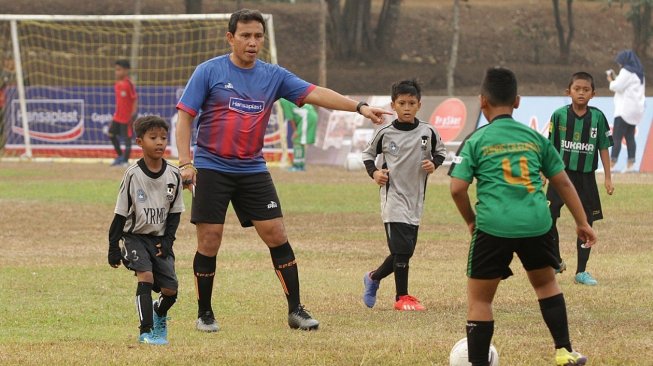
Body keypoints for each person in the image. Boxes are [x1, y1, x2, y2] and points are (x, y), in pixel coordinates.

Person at [175, 9, 390, 332]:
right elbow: (185, 116)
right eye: (245, 36)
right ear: (230, 38)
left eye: (258, 36)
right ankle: (205, 313)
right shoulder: (209, 71)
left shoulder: (273, 75)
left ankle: (296, 310)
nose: (252, 42)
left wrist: (359, 107)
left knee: (277, 235)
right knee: (210, 240)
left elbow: (316, 93)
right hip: (211, 167)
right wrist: (185, 162)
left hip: (252, 169)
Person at [449, 67, 595, 366]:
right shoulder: (535, 138)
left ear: (482, 101)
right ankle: (564, 351)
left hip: (493, 226)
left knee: (480, 301)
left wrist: (471, 220)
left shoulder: (476, 140)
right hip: (535, 224)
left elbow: (457, 189)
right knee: (545, 285)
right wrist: (582, 222)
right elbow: (563, 182)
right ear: (517, 101)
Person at [360, 79, 446, 311]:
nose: (406, 107)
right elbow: (367, 155)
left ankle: (373, 278)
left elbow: (441, 152)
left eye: (411, 103)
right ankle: (402, 297)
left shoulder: (428, 132)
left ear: (419, 105)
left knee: (404, 253)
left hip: (415, 199)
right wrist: (375, 173)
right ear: (393, 105)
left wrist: (434, 164)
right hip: (393, 198)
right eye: (402, 103)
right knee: (402, 251)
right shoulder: (385, 133)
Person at [107, 116, 184, 345]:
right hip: (134, 237)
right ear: (140, 142)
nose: (159, 142)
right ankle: (146, 331)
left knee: (170, 290)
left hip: (160, 239)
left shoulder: (174, 174)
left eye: (163, 137)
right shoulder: (132, 174)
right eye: (153, 138)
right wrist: (113, 247)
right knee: (146, 278)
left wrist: (168, 241)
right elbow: (120, 214)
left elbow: (175, 212)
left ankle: (159, 312)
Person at [547, 72, 614, 286]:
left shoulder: (597, 117)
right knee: (548, 218)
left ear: (593, 94)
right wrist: (543, 173)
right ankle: (556, 261)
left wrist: (608, 178)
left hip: (586, 178)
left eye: (586, 90)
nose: (581, 93)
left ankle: (581, 272)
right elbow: (550, 147)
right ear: (569, 92)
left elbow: (603, 147)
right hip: (560, 175)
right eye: (577, 89)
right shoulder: (558, 116)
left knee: (586, 223)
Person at [607, 50, 645, 173]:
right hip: (635, 111)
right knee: (630, 137)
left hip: (624, 109)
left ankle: (611, 165)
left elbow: (617, 86)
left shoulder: (626, 71)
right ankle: (630, 165)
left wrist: (611, 80)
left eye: (620, 63)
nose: (620, 65)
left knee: (617, 137)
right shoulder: (640, 74)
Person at [109, 59, 138, 167]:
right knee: (111, 134)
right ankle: (120, 156)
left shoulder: (128, 84)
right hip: (117, 116)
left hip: (127, 117)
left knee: (127, 138)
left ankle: (125, 161)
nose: (116, 72)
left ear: (126, 71)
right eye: (116, 70)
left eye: (119, 70)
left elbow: (134, 99)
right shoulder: (117, 84)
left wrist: (133, 114)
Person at [280, 98, 318, 172]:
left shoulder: (283, 100)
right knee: (300, 142)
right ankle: (300, 165)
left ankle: (297, 166)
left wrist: (295, 131)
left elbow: (290, 117)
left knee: (297, 140)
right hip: (310, 114)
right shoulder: (288, 97)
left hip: (307, 116)